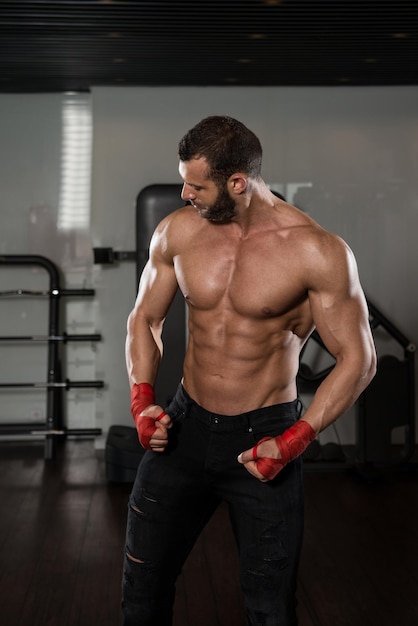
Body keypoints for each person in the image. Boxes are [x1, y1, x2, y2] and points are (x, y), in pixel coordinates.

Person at [121, 115, 376, 626]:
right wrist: (142, 398)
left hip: (265, 437)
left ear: (237, 182)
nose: (184, 192)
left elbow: (359, 359)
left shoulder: (316, 251)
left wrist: (296, 439)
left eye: (196, 184)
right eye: (184, 180)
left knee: (269, 607)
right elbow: (144, 319)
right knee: (141, 589)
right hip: (183, 429)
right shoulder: (178, 231)